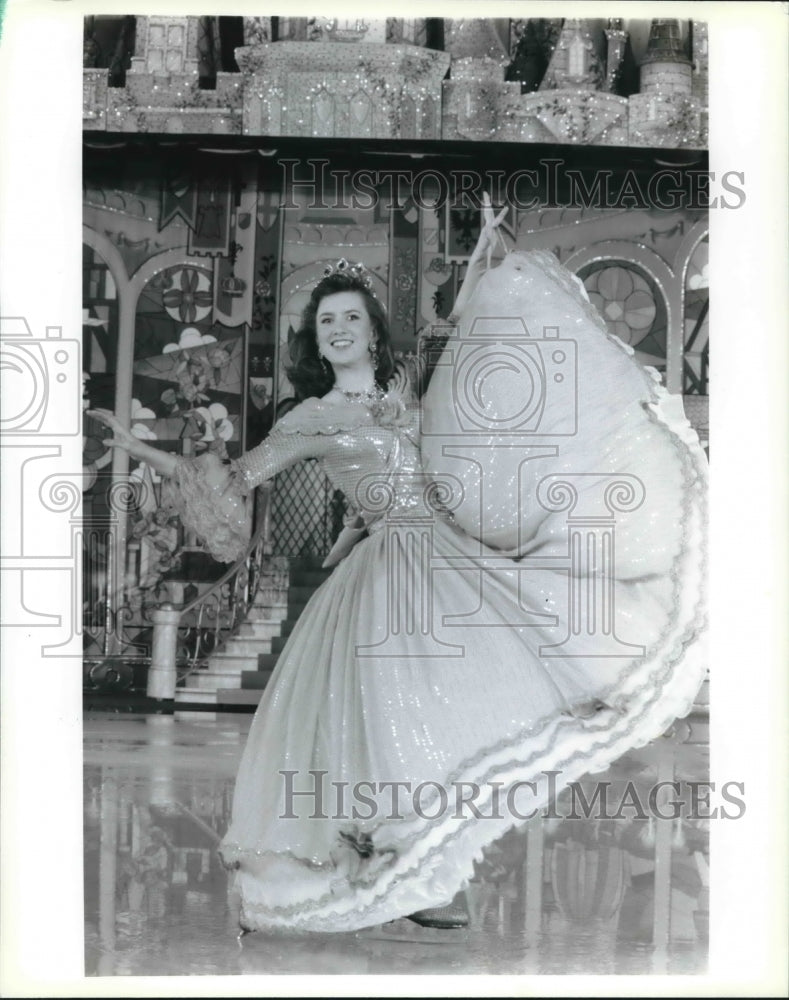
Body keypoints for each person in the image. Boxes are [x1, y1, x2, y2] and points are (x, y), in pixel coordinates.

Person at [89, 201, 708, 935]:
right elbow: (234, 482)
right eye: (327, 323)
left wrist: (482, 256)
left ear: (371, 329)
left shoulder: (407, 388)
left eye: (351, 318)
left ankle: (429, 863)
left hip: (448, 550)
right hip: (386, 573)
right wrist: (142, 448)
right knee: (388, 722)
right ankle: (389, 873)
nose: (340, 330)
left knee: (466, 699)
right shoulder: (309, 418)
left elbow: (463, 403)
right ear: (314, 340)